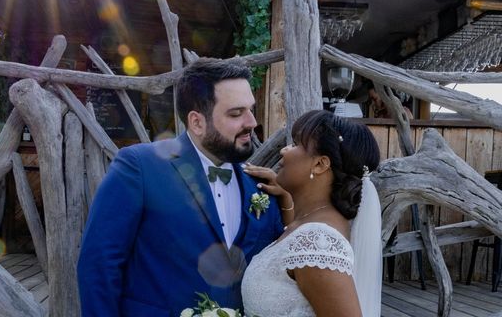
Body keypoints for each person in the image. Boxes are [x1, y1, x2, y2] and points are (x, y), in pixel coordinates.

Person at [77, 58, 288, 316]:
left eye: (251, 110)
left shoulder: (259, 188)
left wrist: (288, 200)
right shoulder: (140, 167)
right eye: (236, 113)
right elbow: (99, 265)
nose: (252, 122)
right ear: (197, 122)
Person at [241, 109, 382, 317]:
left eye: (296, 143)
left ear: (320, 164)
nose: (284, 151)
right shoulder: (310, 227)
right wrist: (287, 198)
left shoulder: (318, 241)